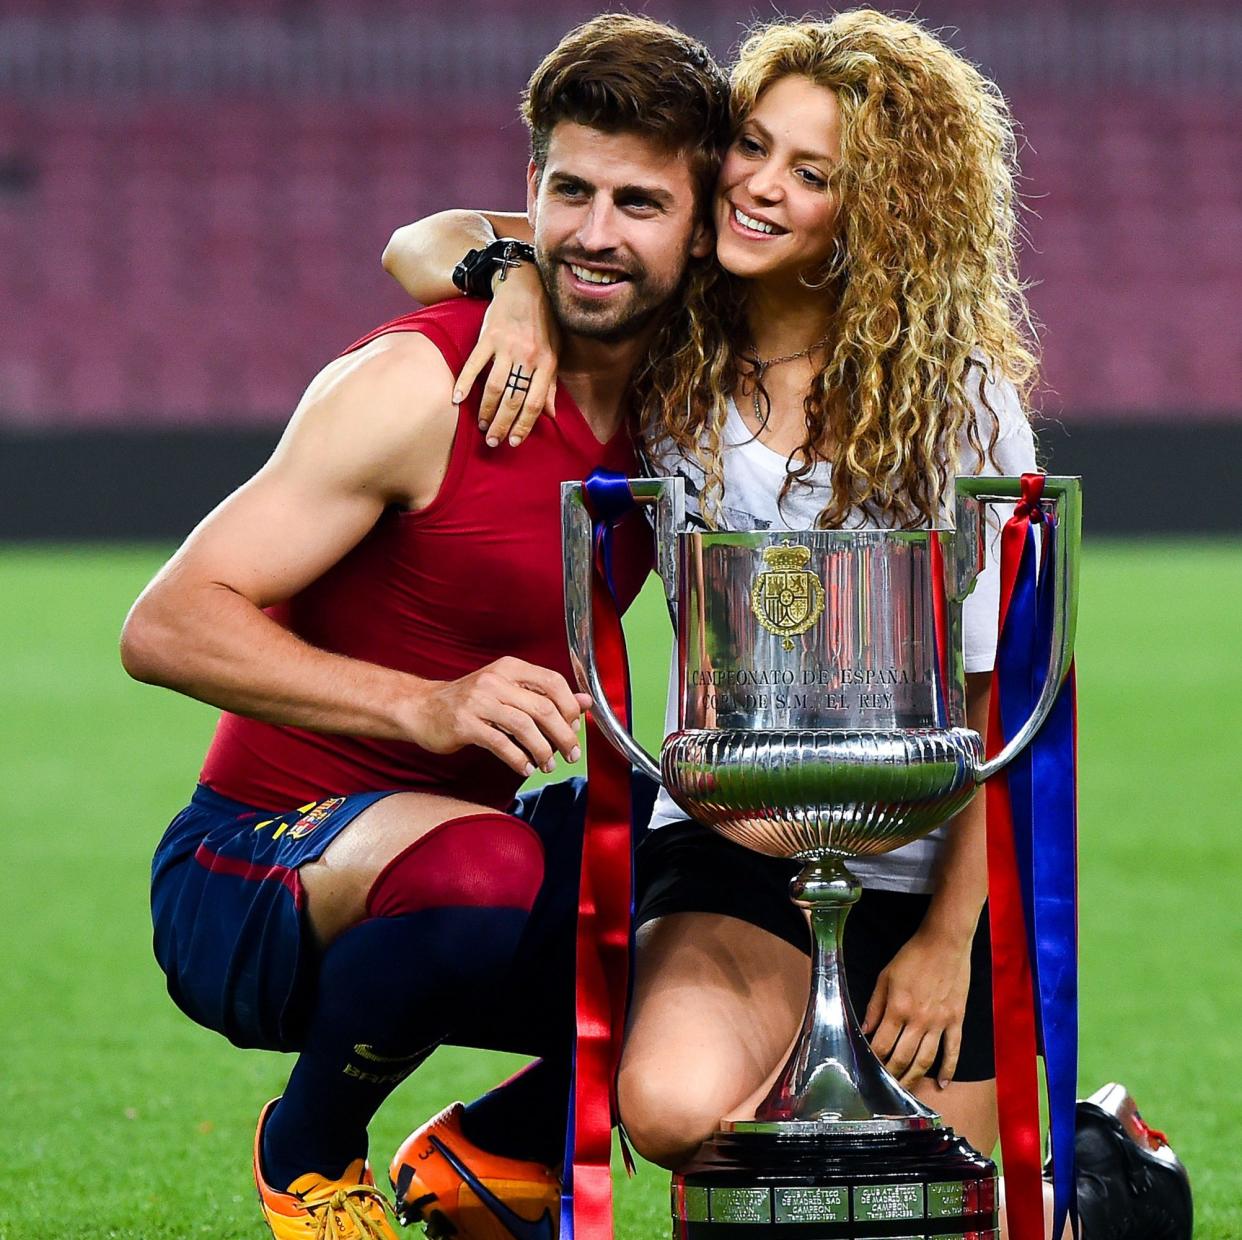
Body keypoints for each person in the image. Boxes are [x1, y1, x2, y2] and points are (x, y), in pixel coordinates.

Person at [380, 11, 1191, 1240]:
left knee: (967, 1206)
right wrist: (514, 287)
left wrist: (947, 940)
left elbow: (991, 693)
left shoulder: (959, 404)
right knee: (668, 1103)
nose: (759, 186)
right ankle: (543, 1129)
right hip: (731, 841)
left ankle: (1089, 1147)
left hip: (925, 859)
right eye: (753, 147)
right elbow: (417, 240)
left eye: (812, 174)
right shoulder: (674, 339)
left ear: (877, 209)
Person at [120, 15, 729, 1240]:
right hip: (255, 874)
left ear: (703, 223)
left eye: (640, 202)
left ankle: (490, 1152)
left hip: (461, 864)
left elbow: (436, 237)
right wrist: (426, 707)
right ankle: (309, 1152)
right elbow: (166, 622)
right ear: (529, 195)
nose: (596, 233)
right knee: (487, 865)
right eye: (570, 192)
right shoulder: (421, 385)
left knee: (740, 895)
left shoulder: (682, 400)